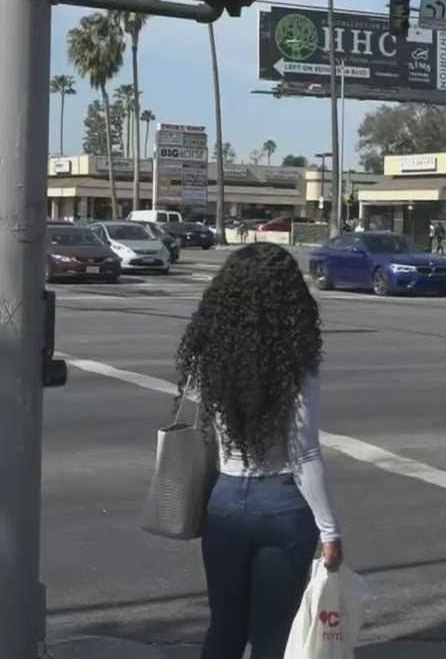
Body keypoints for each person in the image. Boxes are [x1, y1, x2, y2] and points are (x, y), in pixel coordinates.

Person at [176, 242, 343, 659]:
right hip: (284, 504)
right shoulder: (298, 360)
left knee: (226, 626)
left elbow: (205, 426)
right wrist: (329, 530)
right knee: (274, 633)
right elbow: (303, 453)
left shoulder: (210, 356)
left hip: (226, 500)